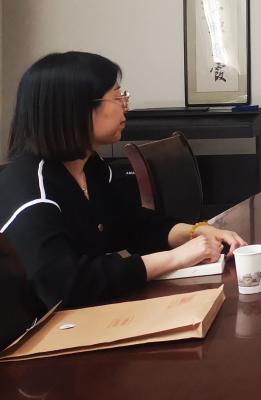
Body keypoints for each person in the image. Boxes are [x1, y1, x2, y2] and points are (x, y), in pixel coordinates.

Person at [0, 52, 246, 309]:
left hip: (90, 314)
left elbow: (133, 225)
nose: (126, 106)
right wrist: (175, 258)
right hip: (48, 328)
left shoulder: (90, 167)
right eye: (118, 97)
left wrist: (196, 232)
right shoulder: (32, 191)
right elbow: (65, 286)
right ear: (77, 109)